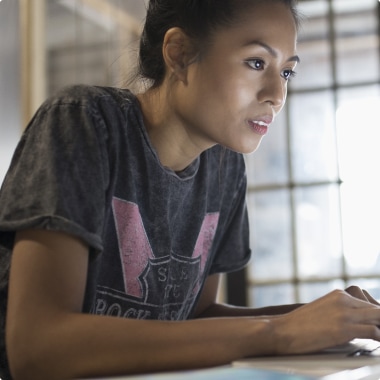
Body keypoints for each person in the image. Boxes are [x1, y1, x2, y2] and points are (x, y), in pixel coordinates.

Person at [1, 0, 380, 379]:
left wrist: (322, 320)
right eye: (256, 63)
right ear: (179, 54)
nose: (276, 96)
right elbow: (36, 348)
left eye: (286, 73)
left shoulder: (224, 167)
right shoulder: (84, 122)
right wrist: (278, 331)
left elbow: (192, 318)